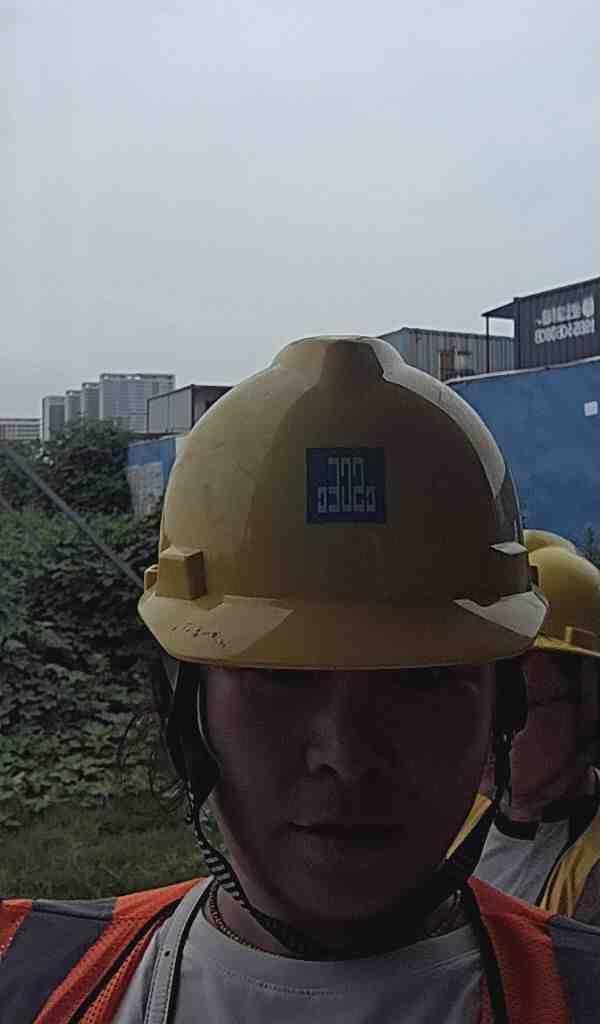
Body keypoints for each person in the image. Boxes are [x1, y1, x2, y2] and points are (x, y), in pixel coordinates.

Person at [2, 335, 599, 1023]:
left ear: (501, 709)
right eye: (279, 679)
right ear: (185, 708)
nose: (346, 755)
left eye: (421, 681)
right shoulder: (27, 978)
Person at [457, 530, 600, 923]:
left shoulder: (589, 875)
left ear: (588, 708)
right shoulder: (462, 813)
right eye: (480, 697)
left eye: (515, 703)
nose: (489, 727)